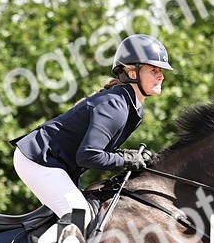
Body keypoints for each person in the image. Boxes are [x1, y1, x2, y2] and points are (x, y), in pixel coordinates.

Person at [12, 34, 172, 222]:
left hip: (59, 164)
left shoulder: (129, 105)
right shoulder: (116, 106)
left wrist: (127, 155)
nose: (160, 75)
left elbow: (99, 150)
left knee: (88, 214)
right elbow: (88, 155)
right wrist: (126, 160)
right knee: (79, 216)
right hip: (39, 160)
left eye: (160, 70)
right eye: (153, 70)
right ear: (132, 73)